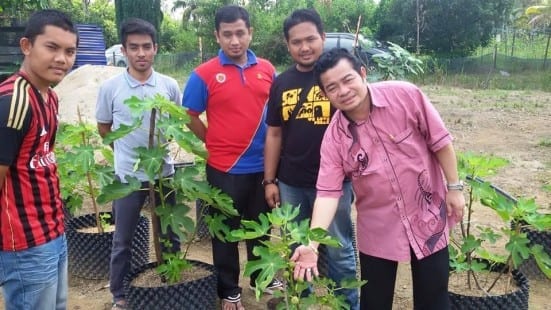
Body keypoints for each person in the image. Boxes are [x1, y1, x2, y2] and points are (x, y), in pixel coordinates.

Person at [291, 48, 465, 310]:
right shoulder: (334, 139)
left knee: (434, 298)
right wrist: (312, 244)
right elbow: (327, 193)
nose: (343, 90)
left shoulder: (405, 95)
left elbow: (440, 141)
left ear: (363, 73)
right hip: (378, 226)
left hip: (427, 214)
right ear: (325, 94)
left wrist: (454, 188)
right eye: (332, 87)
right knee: (375, 302)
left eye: (348, 79)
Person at [182, 5, 281, 310]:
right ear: (217, 36)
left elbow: (276, 118)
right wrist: (212, 142)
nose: (235, 40)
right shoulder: (203, 74)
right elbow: (190, 116)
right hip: (223, 168)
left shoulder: (268, 70)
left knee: (260, 227)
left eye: (240, 33)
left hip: (263, 167)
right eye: (227, 34)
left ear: (250, 32)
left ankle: (261, 277)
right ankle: (229, 288)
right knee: (224, 232)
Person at [264, 9, 359, 309]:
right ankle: (299, 303)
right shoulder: (281, 83)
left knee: (339, 248)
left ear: (322, 37)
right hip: (291, 182)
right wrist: (269, 180)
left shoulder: (335, 79)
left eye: (310, 39)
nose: (304, 47)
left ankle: (347, 304)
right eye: (296, 42)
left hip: (334, 184)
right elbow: (274, 134)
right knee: (296, 248)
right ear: (287, 44)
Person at [95, 18, 181, 310]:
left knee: (169, 233)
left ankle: (173, 281)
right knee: (123, 239)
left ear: (155, 49)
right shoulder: (111, 88)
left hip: (164, 174)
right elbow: (105, 127)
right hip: (128, 177)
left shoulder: (169, 86)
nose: (141, 53)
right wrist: (126, 150)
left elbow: (175, 124)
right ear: (124, 50)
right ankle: (119, 294)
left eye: (146, 47)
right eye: (134, 47)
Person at [0, 9, 78, 310]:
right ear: (26, 46)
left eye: (69, 51)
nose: (62, 58)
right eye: (52, 47)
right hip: (24, 241)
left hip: (53, 230)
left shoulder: (50, 96)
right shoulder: (13, 102)